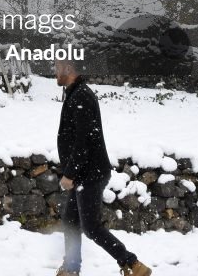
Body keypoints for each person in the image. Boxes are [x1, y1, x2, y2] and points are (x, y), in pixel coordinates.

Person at [55, 58, 151, 276]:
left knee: (91, 227)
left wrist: (69, 174)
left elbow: (84, 141)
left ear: (68, 69)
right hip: (84, 172)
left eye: (57, 67)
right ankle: (70, 269)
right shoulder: (75, 93)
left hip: (89, 174)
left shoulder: (82, 96)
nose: (54, 71)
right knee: (70, 221)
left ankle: (133, 264)